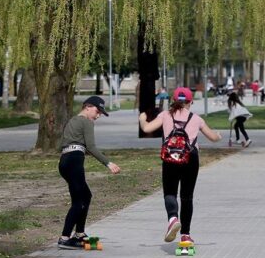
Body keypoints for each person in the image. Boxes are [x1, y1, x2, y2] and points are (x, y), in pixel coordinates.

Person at [139, 87, 221, 244]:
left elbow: (146, 128)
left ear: (173, 101)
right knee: (187, 197)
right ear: (190, 102)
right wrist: (218, 136)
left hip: (170, 157)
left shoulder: (165, 115)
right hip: (191, 157)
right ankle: (185, 235)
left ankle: (172, 218)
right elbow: (212, 138)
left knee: (170, 193)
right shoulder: (196, 118)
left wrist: (142, 118)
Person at [57, 95, 121, 249]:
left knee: (85, 196)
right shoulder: (86, 122)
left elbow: (64, 144)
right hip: (74, 162)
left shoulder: (72, 121)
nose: (98, 115)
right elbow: (91, 147)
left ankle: (79, 233)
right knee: (79, 201)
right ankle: (65, 238)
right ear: (87, 107)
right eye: (97, 111)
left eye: (100, 113)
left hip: (65, 162)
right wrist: (108, 163)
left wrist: (79, 149)